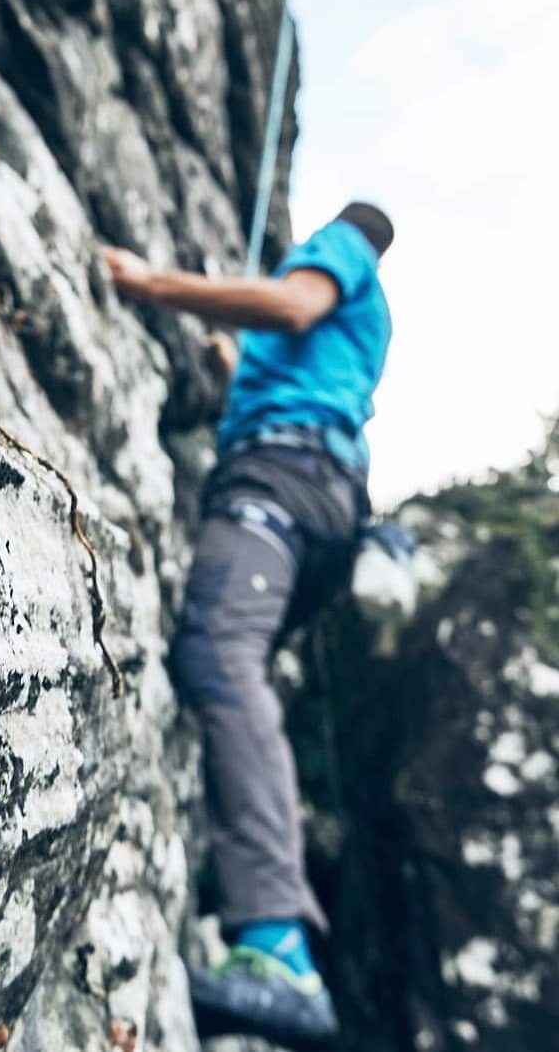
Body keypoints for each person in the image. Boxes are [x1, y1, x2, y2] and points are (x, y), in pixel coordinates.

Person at [103, 202, 394, 1049]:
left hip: (280, 479)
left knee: (220, 655)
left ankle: (275, 941)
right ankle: (267, 913)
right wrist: (233, 360)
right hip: (322, 500)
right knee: (238, 669)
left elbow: (294, 305)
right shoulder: (361, 332)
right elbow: (294, 344)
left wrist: (148, 282)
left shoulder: (340, 250)